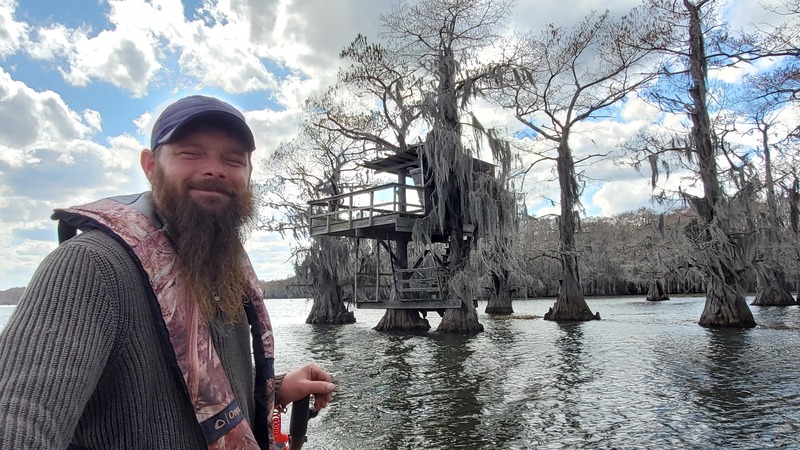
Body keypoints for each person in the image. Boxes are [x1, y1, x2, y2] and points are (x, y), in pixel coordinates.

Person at [0, 95, 335, 449]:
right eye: (191, 153)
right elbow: (21, 415)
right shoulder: (90, 267)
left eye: (233, 160)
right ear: (150, 166)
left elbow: (195, 385)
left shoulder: (224, 271)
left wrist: (276, 388)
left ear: (248, 175)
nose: (215, 169)